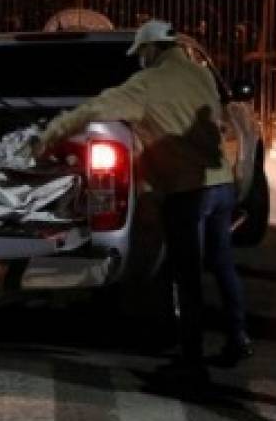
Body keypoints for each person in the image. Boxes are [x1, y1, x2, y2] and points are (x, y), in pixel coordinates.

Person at [29, 20, 252, 375]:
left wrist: (48, 137)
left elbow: (92, 110)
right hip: (221, 185)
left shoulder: (145, 85)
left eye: (141, 53)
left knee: (187, 276)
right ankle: (238, 338)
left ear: (151, 50)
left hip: (186, 191)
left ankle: (192, 358)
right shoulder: (201, 74)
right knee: (223, 265)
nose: (140, 60)